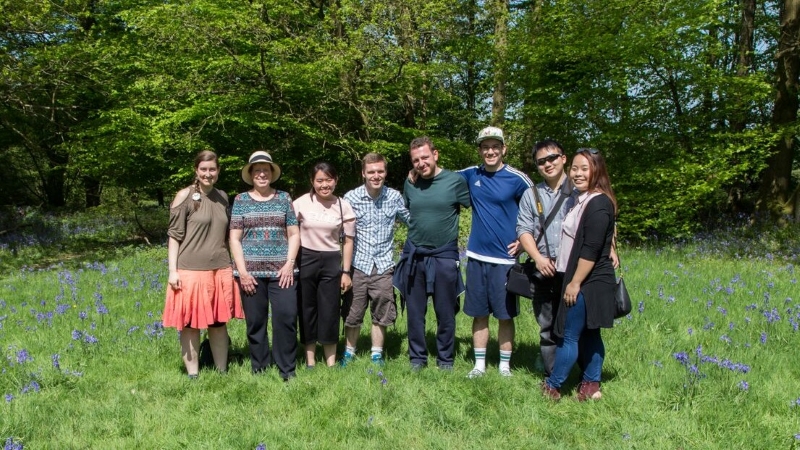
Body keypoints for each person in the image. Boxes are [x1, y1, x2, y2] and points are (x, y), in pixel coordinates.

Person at [542, 147, 618, 401]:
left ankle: (553, 386)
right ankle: (591, 385)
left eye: (585, 168)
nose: (578, 173)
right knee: (589, 332)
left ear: (597, 171)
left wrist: (574, 283)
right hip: (581, 277)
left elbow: (591, 249)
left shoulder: (597, 203)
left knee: (570, 334)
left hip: (589, 280)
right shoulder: (581, 198)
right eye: (574, 168)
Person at [459, 127, 533, 378]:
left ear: (504, 149)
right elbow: (439, 177)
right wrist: (415, 172)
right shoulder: (471, 174)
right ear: (479, 150)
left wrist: (525, 243)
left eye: (495, 146)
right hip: (477, 257)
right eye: (485, 147)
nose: (490, 151)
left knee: (504, 315)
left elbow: (539, 210)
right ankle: (479, 365)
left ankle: (504, 367)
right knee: (479, 314)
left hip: (505, 260)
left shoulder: (518, 179)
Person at [162, 150, 243, 378]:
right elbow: (174, 236)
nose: (208, 174)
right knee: (190, 325)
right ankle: (193, 375)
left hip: (220, 269)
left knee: (218, 324)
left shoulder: (223, 197)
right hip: (190, 271)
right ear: (196, 171)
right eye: (204, 169)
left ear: (218, 171)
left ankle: (221, 372)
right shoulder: (184, 196)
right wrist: (172, 271)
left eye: (212, 169)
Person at [393, 136, 470, 371]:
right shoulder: (410, 184)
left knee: (445, 311)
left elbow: (481, 206)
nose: (421, 163)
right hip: (414, 254)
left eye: (425, 157)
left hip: (444, 255)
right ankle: (417, 358)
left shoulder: (455, 181)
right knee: (415, 312)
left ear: (435, 154)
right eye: (416, 160)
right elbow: (407, 211)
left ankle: (445, 359)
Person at [229, 151, 299, 381]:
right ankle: (259, 366)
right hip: (251, 273)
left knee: (286, 318)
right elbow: (234, 239)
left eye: (265, 170)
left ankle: (286, 368)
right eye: (257, 170)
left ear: (271, 173)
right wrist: (243, 273)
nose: (262, 174)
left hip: (283, 273)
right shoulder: (240, 200)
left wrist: (289, 264)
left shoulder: (284, 198)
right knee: (255, 322)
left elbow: (294, 234)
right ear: (251, 174)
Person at [340, 153, 410, 367]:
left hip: (384, 265)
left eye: (380, 171)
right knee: (353, 311)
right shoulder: (351, 198)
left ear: (385, 173)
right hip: (357, 265)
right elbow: (338, 231)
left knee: (382, 310)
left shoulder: (395, 197)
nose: (376, 176)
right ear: (363, 173)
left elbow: (412, 221)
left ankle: (376, 354)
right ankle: (349, 353)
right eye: (371, 172)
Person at [516, 140, 573, 377]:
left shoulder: (579, 188)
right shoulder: (532, 194)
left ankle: (581, 374)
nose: (547, 164)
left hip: (573, 268)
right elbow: (523, 229)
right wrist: (538, 258)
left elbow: (603, 215)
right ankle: (553, 377)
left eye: (552, 158)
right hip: (544, 268)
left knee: (574, 324)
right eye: (542, 161)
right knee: (546, 324)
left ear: (563, 158)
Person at [293, 162, 356, 368]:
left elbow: (348, 241)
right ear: (312, 181)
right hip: (306, 259)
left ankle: (330, 361)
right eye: (319, 180)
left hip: (331, 260)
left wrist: (345, 271)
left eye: (329, 180)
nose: (324, 185)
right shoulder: (300, 203)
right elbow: (291, 234)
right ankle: (310, 359)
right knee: (307, 308)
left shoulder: (342, 205)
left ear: (336, 180)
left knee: (330, 310)